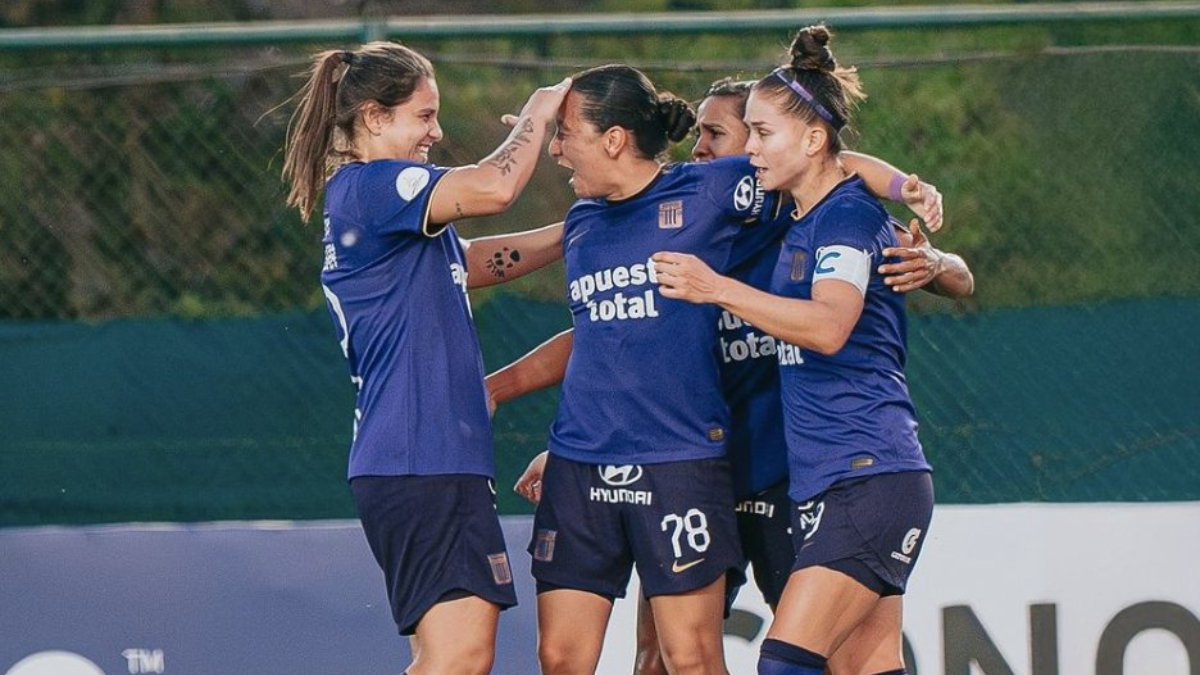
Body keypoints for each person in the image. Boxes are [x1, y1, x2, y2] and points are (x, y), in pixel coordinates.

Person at [498, 76, 971, 675]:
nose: (701, 150)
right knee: (666, 658)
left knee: (824, 659)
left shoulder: (810, 220)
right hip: (696, 469)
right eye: (698, 134)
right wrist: (569, 448)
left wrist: (935, 250)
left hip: (783, 476)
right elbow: (616, 339)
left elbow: (876, 227)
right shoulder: (655, 221)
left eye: (721, 133)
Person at [652, 25, 938, 675]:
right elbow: (851, 168)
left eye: (762, 133)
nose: (750, 148)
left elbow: (831, 325)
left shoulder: (843, 215)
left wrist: (715, 288)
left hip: (870, 475)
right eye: (746, 131)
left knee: (784, 660)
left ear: (812, 141)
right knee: (866, 666)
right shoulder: (809, 213)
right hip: (845, 479)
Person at [280, 41, 569, 675]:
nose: (436, 132)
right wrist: (540, 112)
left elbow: (470, 264)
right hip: (422, 458)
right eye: (423, 115)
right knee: (461, 659)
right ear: (375, 118)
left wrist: (580, 232)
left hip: (416, 460)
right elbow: (494, 187)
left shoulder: (380, 209)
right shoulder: (377, 185)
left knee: (442, 658)